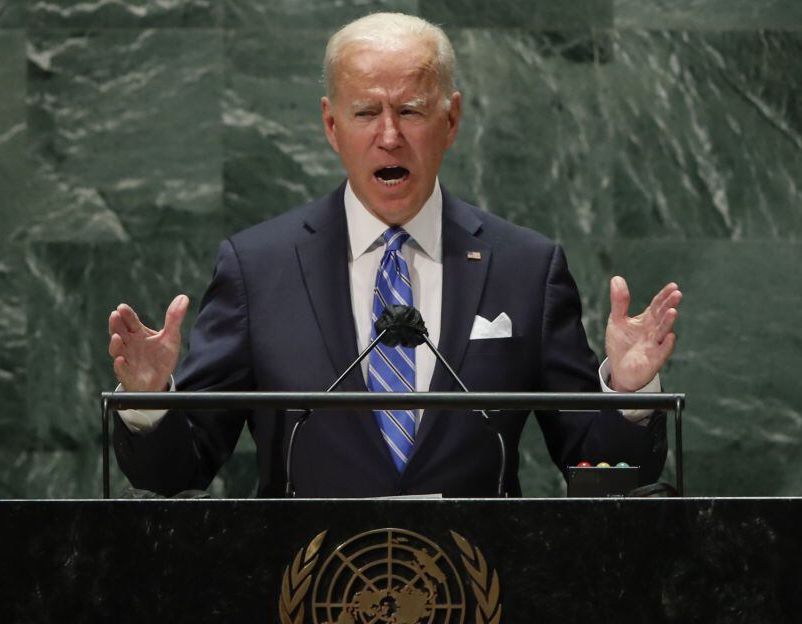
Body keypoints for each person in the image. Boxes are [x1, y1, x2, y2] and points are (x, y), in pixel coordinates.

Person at [107, 13, 682, 497]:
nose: (389, 136)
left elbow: (602, 475)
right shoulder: (259, 269)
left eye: (410, 110)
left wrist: (629, 399)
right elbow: (181, 471)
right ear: (332, 125)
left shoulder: (525, 268)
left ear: (450, 119)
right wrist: (150, 402)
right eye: (365, 113)